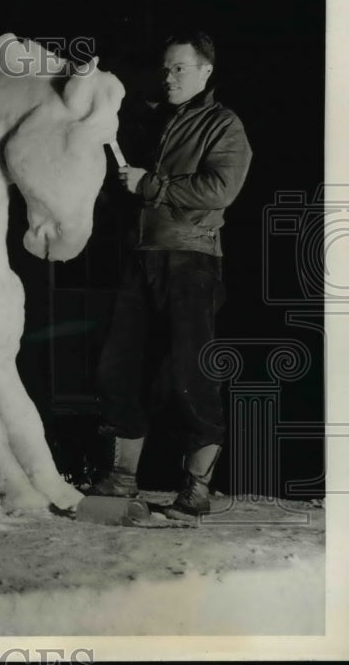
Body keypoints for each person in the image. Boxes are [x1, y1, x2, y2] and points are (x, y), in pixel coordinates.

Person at [91, 31, 252, 515]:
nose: (169, 76)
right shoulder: (154, 121)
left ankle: (196, 489)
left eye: (180, 68)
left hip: (192, 261)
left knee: (190, 372)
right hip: (141, 258)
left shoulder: (224, 125)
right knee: (121, 369)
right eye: (165, 68)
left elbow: (220, 189)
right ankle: (121, 479)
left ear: (206, 71)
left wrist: (150, 184)